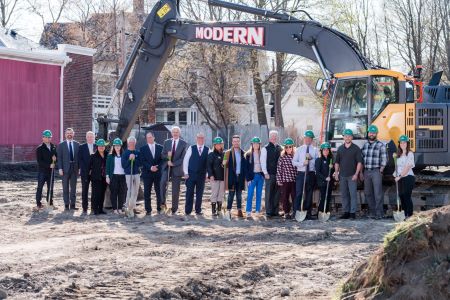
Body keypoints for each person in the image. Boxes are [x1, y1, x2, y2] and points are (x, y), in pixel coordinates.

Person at [334, 129, 363, 219]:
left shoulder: (356, 148)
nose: (347, 137)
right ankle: (346, 212)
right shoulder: (340, 149)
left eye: (349, 136)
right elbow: (337, 162)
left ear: (352, 137)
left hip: (352, 176)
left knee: (353, 194)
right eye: (346, 136)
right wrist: (336, 173)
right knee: (344, 194)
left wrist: (356, 174)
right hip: (342, 175)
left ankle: (352, 213)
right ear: (343, 137)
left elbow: (359, 162)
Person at [361, 125, 387, 219]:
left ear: (376, 134)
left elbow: (384, 159)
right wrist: (361, 172)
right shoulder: (365, 145)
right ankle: (372, 212)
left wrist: (381, 170)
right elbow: (362, 159)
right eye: (370, 132)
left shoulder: (381, 145)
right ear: (368, 133)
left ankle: (379, 213)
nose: (372, 134)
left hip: (376, 171)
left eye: (374, 132)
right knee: (368, 192)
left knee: (378, 193)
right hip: (366, 172)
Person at [160, 126, 188, 215]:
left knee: (175, 189)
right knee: (162, 183)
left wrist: (174, 163)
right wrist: (167, 158)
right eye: (174, 132)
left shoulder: (184, 143)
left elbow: (183, 158)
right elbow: (162, 154)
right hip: (167, 167)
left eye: (177, 132)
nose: (175, 133)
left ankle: (174, 209)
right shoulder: (167, 142)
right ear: (171, 133)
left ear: (179, 133)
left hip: (177, 168)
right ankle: (163, 204)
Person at [292, 130, 319, 220]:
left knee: (309, 194)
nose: (308, 140)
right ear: (304, 139)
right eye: (306, 138)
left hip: (311, 174)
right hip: (301, 174)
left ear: (312, 140)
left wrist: (311, 159)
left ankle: (308, 213)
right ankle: (297, 212)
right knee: (299, 193)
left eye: (310, 138)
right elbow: (294, 162)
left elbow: (317, 163)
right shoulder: (299, 149)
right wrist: (302, 163)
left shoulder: (315, 150)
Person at [183, 133, 209, 215]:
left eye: (202, 138)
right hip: (190, 174)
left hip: (201, 175)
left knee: (199, 194)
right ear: (196, 139)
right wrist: (186, 173)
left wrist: (207, 175)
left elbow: (209, 164)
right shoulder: (191, 148)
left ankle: (198, 210)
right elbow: (185, 161)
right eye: (199, 138)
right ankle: (188, 210)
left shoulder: (208, 149)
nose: (200, 139)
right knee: (189, 193)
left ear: (204, 139)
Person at [140, 132, 163, 216]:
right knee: (147, 192)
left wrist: (157, 166)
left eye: (150, 137)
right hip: (147, 174)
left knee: (159, 192)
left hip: (158, 173)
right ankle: (148, 210)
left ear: (154, 137)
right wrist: (150, 167)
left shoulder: (160, 147)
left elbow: (163, 160)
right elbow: (143, 160)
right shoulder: (143, 149)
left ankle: (159, 208)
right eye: (147, 138)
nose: (148, 139)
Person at [57, 128, 80, 211]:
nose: (69, 134)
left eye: (71, 133)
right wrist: (60, 168)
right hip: (65, 169)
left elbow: (79, 158)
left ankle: (73, 205)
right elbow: (59, 158)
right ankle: (66, 205)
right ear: (65, 134)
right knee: (65, 188)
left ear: (73, 134)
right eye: (68, 133)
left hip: (75, 169)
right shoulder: (61, 145)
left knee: (73, 188)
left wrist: (79, 168)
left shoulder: (77, 144)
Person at [260, 130, 282, 217]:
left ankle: (275, 211)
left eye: (275, 136)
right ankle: (269, 211)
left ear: (277, 137)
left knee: (277, 193)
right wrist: (265, 172)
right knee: (269, 193)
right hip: (269, 174)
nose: (274, 138)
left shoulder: (280, 148)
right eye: (272, 136)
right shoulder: (265, 148)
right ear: (269, 137)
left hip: (278, 175)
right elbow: (262, 162)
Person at [224, 135, 246, 218]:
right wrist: (224, 162)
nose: (236, 142)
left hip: (240, 177)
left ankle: (239, 210)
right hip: (231, 177)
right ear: (232, 142)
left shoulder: (243, 152)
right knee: (231, 195)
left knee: (239, 195)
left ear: (239, 142)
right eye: (234, 141)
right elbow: (223, 164)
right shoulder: (227, 153)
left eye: (237, 141)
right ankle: (228, 211)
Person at [35, 130, 57, 210]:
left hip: (51, 172)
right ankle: (38, 204)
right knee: (40, 187)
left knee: (50, 188)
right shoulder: (39, 148)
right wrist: (49, 165)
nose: (47, 138)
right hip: (42, 171)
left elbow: (56, 158)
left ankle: (50, 203)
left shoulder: (53, 147)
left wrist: (55, 160)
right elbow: (39, 161)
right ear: (43, 138)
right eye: (46, 137)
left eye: (49, 137)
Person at [394, 135, 415, 218]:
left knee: (406, 195)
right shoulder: (398, 155)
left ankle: (409, 215)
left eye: (404, 142)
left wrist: (399, 176)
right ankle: (404, 214)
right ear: (399, 144)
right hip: (400, 178)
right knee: (401, 196)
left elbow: (407, 167)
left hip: (408, 177)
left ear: (407, 144)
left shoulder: (410, 154)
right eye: (401, 143)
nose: (403, 144)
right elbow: (397, 167)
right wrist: (395, 175)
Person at [276, 138, 297, 219]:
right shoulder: (282, 157)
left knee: (294, 196)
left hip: (294, 180)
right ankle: (286, 212)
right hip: (285, 181)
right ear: (284, 148)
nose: (288, 148)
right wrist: (279, 180)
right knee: (285, 197)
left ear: (292, 147)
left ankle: (295, 212)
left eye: (290, 147)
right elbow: (279, 169)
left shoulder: (295, 156)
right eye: (287, 147)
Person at [244, 137, 264, 218]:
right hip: (252, 177)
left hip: (260, 176)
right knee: (250, 194)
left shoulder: (262, 154)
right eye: (254, 143)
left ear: (259, 145)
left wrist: (263, 175)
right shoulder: (248, 155)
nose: (256, 145)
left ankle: (257, 211)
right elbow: (246, 168)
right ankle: (248, 211)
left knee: (259, 194)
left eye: (257, 143)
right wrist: (248, 179)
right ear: (252, 144)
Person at [106, 138, 127, 215]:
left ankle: (120, 208)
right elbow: (107, 167)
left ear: (121, 146)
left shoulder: (124, 156)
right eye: (116, 146)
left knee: (122, 193)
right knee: (114, 193)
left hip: (122, 177)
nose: (117, 147)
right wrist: (107, 176)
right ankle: (115, 209)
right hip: (114, 176)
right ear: (113, 147)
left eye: (119, 145)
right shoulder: (110, 156)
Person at [122, 136, 141, 217]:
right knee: (131, 191)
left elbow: (140, 163)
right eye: (130, 142)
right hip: (129, 174)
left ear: (135, 143)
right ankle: (128, 207)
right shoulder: (125, 153)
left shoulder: (137, 152)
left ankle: (132, 207)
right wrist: (129, 159)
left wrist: (135, 159)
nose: (132, 144)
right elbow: (124, 165)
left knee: (136, 191)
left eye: (133, 143)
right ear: (128, 143)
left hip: (136, 173)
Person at [78, 131, 96, 214]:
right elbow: (80, 160)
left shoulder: (97, 146)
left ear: (94, 137)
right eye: (88, 136)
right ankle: (84, 208)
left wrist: (93, 169)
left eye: (91, 136)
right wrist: (86, 170)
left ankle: (93, 207)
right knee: (85, 190)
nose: (90, 138)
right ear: (86, 137)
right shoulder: (81, 147)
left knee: (94, 190)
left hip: (95, 172)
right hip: (85, 173)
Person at [207, 137, 225, 216]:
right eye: (217, 144)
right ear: (214, 145)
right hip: (214, 177)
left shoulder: (224, 154)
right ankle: (213, 211)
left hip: (222, 177)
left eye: (220, 144)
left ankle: (219, 210)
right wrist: (210, 175)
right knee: (214, 193)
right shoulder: (211, 154)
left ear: (222, 145)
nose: (218, 145)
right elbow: (209, 166)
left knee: (221, 194)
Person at [89, 139, 108, 215]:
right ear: (97, 147)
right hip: (96, 178)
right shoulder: (93, 156)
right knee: (96, 194)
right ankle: (95, 209)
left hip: (104, 178)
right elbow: (89, 167)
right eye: (100, 146)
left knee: (102, 194)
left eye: (103, 146)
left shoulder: (107, 155)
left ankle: (100, 209)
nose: (101, 147)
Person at [315, 142, 335, 214]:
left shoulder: (331, 159)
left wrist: (333, 169)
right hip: (322, 182)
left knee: (328, 197)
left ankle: (326, 211)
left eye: (327, 150)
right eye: (324, 150)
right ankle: (320, 211)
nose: (326, 151)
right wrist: (325, 178)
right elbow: (317, 172)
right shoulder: (319, 160)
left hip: (329, 182)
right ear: (321, 151)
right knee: (323, 197)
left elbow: (333, 171)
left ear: (329, 151)